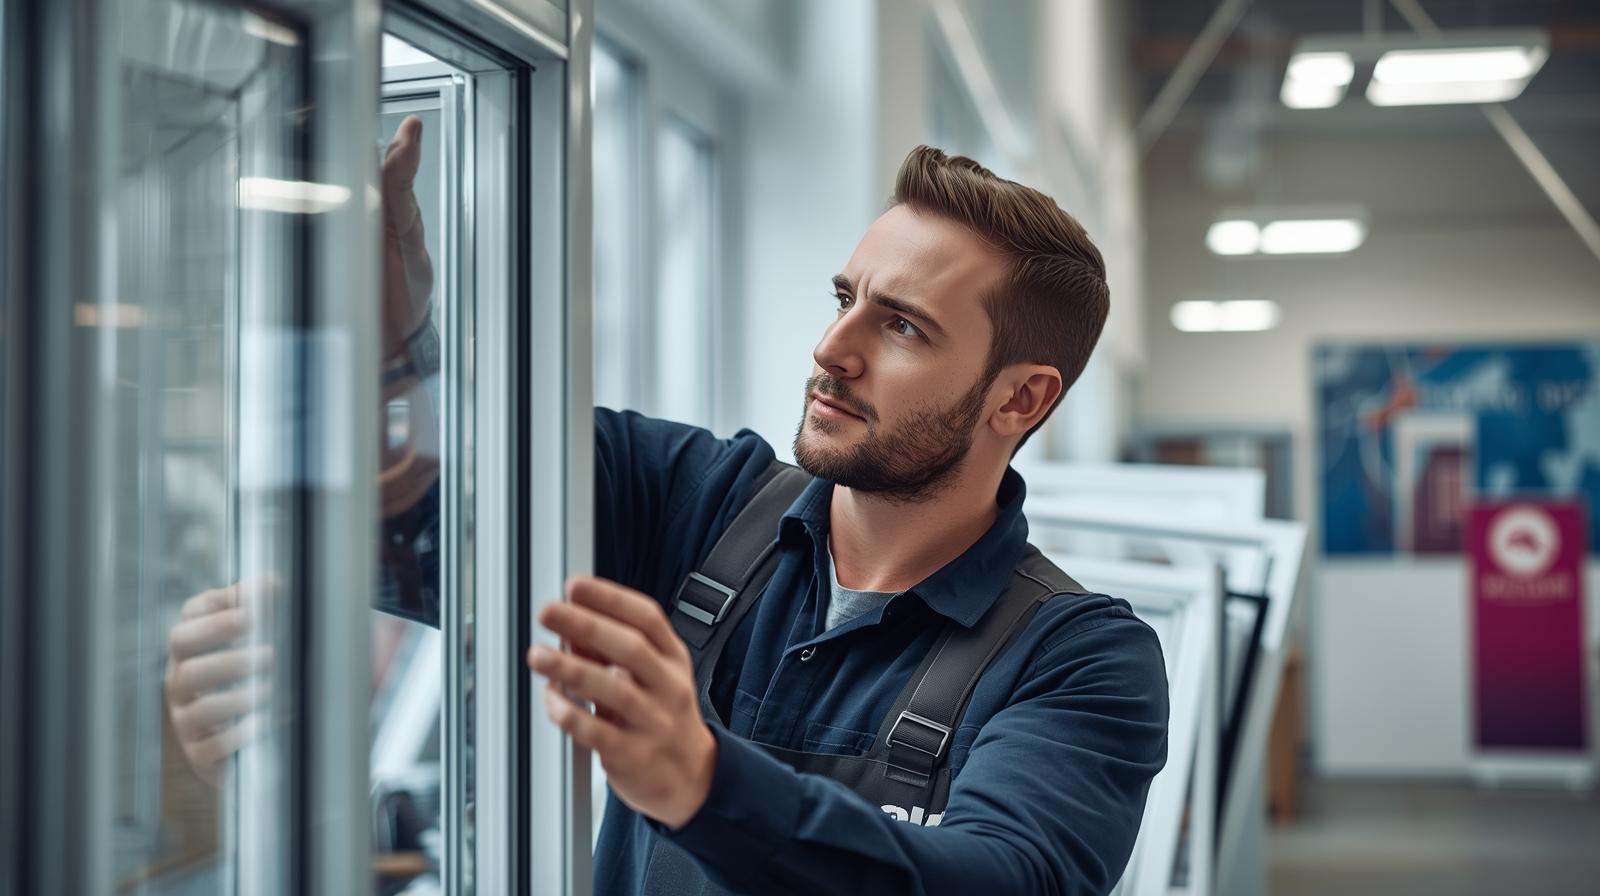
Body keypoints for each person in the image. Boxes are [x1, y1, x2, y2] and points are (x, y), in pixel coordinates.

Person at [169, 116, 1169, 895]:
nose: (833, 346)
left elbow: (998, 879)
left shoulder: (1082, 660)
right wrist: (392, 348)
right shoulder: (697, 500)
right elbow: (434, 514)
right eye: (843, 297)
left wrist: (700, 776)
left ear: (1021, 396)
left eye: (901, 324)